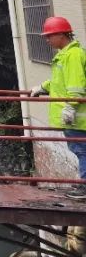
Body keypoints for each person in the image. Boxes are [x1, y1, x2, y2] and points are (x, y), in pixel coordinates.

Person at [30, 16, 86, 200]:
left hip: (78, 118)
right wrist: (43, 87)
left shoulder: (73, 56)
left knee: (82, 150)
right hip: (74, 118)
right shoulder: (65, 55)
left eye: (50, 36)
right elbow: (59, 81)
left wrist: (70, 106)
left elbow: (76, 86)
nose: (47, 40)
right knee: (80, 150)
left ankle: (84, 189)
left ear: (62, 35)